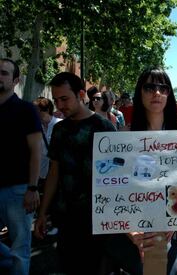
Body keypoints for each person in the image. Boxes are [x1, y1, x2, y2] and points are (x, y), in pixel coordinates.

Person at [104, 67, 177, 275]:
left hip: (172, 226)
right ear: (139, 92)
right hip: (131, 227)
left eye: (163, 88)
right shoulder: (122, 136)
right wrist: (130, 231)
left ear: (169, 94)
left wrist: (175, 222)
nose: (157, 93)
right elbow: (110, 189)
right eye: (149, 87)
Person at [34, 72, 116, 274]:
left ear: (81, 94)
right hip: (66, 218)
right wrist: (43, 212)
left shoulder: (104, 127)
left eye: (64, 99)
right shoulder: (60, 130)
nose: (60, 105)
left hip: (97, 219)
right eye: (56, 100)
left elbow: (117, 176)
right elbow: (54, 171)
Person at [0, 58, 42, 275]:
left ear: (16, 80)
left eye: (3, 73)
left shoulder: (26, 110)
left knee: (20, 248)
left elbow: (37, 151)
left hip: (18, 190)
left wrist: (32, 188)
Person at [32, 97, 62, 192]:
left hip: (57, 174)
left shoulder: (60, 125)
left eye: (37, 110)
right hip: (41, 175)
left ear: (47, 110)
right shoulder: (35, 127)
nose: (34, 113)